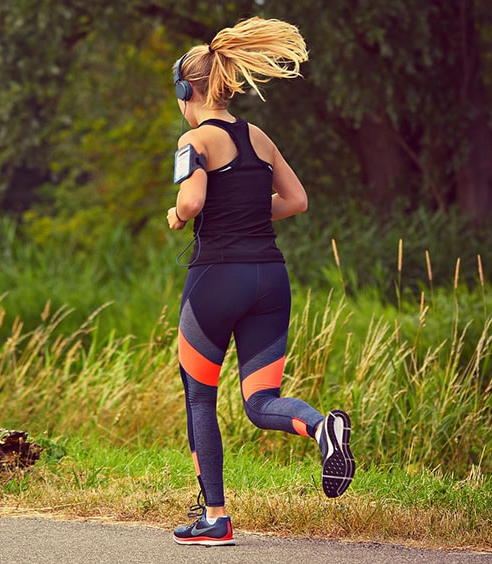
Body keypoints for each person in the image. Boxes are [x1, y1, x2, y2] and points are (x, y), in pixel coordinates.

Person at [166, 17, 355, 546]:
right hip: (270, 279)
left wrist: (180, 216)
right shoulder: (258, 136)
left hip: (216, 281)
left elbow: (194, 200)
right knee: (260, 401)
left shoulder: (194, 139)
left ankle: (216, 517)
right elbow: (297, 201)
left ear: (187, 89)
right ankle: (322, 428)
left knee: (200, 397)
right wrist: (246, 210)